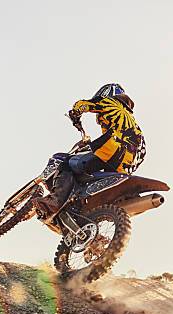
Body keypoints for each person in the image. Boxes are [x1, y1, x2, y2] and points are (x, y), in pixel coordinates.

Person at [34, 83, 145, 216]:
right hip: (128, 164)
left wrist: (75, 114)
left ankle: (55, 201)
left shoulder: (110, 103)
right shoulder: (131, 120)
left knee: (67, 163)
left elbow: (83, 104)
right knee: (90, 174)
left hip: (114, 151)